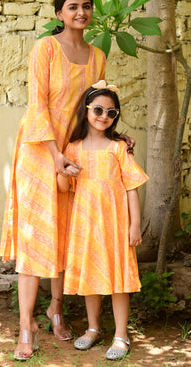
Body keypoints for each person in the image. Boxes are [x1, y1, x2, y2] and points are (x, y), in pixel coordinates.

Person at [0, 0, 108, 360]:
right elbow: (38, 105)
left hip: (73, 153)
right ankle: (25, 327)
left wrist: (113, 138)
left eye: (86, 6)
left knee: (65, 233)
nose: (81, 12)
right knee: (36, 238)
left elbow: (95, 109)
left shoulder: (98, 56)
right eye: (72, 7)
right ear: (59, 13)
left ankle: (55, 309)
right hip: (38, 151)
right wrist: (54, 154)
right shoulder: (45, 48)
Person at [57, 81, 149, 361]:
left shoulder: (119, 148)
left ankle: (121, 333)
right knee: (91, 275)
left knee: (118, 278)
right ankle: (93, 327)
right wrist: (64, 172)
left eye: (111, 112)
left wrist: (134, 225)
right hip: (85, 225)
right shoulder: (73, 148)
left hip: (116, 223)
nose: (104, 116)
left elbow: (132, 187)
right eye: (98, 109)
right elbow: (63, 188)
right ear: (85, 111)